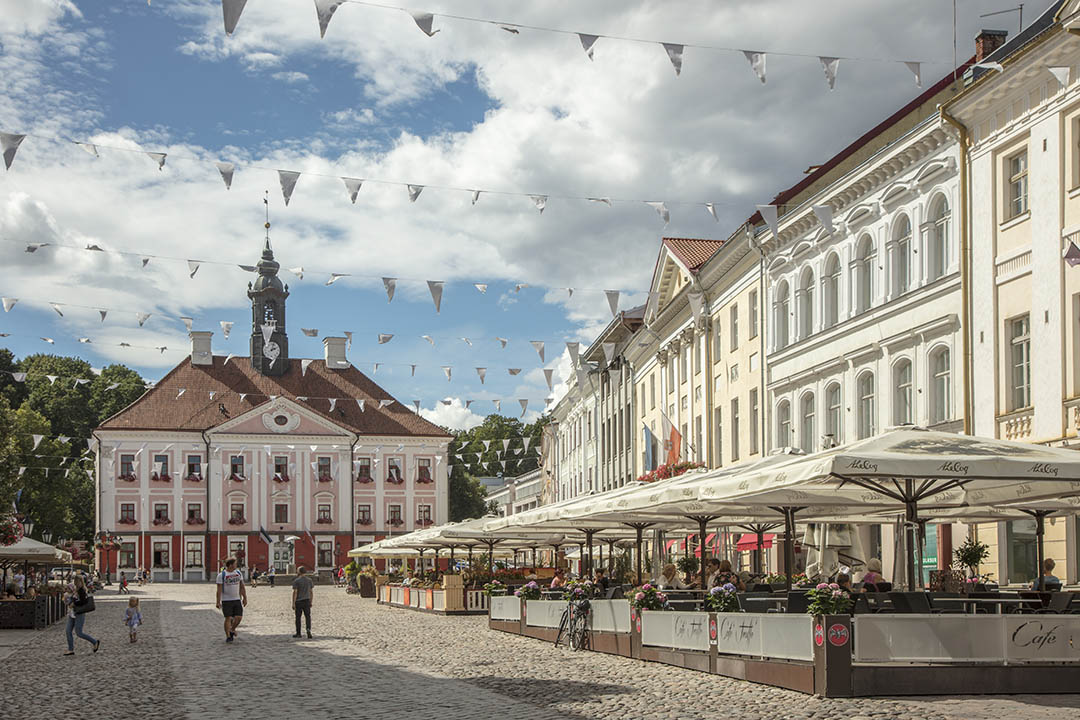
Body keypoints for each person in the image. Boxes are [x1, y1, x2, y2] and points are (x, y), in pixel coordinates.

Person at [64, 577, 100, 656]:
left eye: (78, 581)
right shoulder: (75, 590)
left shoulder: (82, 590)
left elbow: (83, 602)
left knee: (79, 633)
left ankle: (94, 642)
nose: (77, 583)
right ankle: (70, 649)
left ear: (81, 582)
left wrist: (74, 604)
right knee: (68, 631)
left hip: (79, 613)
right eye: (76, 581)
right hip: (72, 613)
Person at [215, 557, 247, 643]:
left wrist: (245, 598)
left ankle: (232, 629)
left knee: (239, 617)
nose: (236, 565)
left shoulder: (238, 573)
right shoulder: (221, 575)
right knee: (228, 618)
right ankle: (228, 636)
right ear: (230, 565)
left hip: (237, 599)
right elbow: (219, 590)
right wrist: (218, 601)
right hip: (226, 600)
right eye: (235, 564)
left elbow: (242, 586)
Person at [291, 565, 315, 638]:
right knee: (307, 616)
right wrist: (311, 601)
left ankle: (298, 633)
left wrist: (293, 603)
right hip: (307, 600)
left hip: (299, 601)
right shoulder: (309, 580)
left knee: (298, 618)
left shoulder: (296, 581)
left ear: (299, 572)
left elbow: (295, 592)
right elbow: (311, 592)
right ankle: (308, 629)